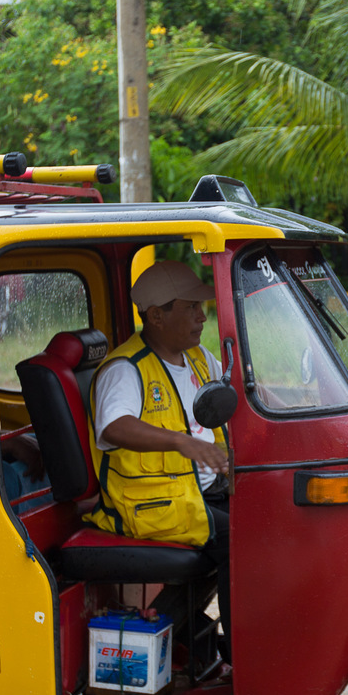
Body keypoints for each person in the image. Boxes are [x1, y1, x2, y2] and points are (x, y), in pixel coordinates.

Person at [86, 260, 233, 657]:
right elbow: (114, 426)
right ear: (156, 316)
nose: (202, 317)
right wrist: (181, 443)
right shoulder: (126, 369)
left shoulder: (198, 357)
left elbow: (237, 398)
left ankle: (189, 635)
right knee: (243, 541)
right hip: (152, 504)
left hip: (200, 492)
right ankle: (248, 658)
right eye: (190, 308)